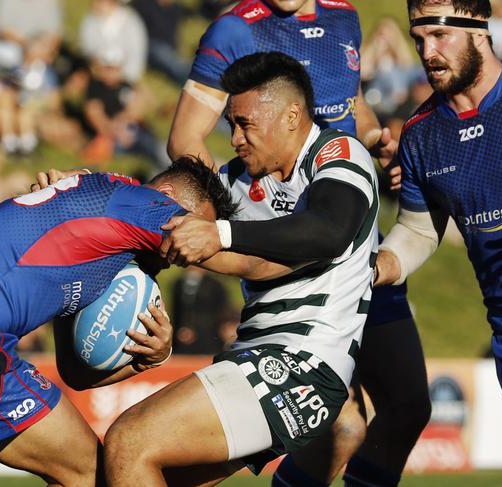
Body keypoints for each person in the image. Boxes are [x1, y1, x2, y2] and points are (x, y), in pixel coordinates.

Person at [167, 1, 431, 485]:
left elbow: (347, 102)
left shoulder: (344, 16)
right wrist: (240, 217)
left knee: (407, 405)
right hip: (289, 246)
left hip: (354, 239)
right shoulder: (233, 28)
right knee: (339, 423)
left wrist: (372, 135)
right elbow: (186, 140)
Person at [102, 51, 380, 487]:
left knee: (130, 441)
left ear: (291, 116)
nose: (233, 138)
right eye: (230, 124)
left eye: (244, 123)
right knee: (133, 471)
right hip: (251, 356)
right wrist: (81, 191)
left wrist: (221, 235)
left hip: (300, 364)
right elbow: (160, 208)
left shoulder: (338, 155)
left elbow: (328, 231)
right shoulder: (239, 178)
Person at [0, 157, 241, 486]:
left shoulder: (97, 239)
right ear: (164, 195)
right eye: (199, 228)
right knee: (90, 473)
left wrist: (147, 360)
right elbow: (238, 256)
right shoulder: (137, 202)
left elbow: (73, 374)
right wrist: (296, 248)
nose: (184, 255)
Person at [374, 0, 502, 485]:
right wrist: (378, 266)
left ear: (480, 31)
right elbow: (421, 231)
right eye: (418, 39)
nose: (427, 51)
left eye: (440, 36)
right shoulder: (420, 136)